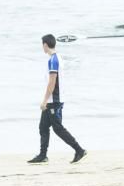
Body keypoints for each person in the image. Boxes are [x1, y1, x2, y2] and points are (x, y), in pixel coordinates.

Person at [28, 34, 87, 164]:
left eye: (42, 45)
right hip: (53, 100)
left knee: (58, 129)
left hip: (54, 101)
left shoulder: (53, 60)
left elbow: (52, 82)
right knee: (43, 127)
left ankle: (79, 150)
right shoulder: (57, 57)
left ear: (45, 45)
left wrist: (44, 100)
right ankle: (43, 155)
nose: (42, 47)